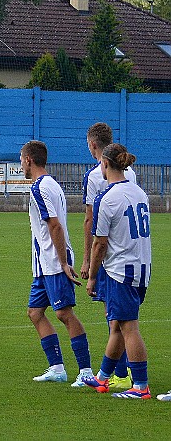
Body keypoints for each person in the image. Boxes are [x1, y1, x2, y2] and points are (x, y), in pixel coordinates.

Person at [82, 144, 153, 399]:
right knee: (118, 326)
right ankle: (102, 377)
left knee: (128, 327)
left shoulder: (107, 198)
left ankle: (141, 386)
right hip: (141, 267)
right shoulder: (139, 192)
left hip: (121, 270)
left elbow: (100, 242)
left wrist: (92, 276)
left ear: (105, 164)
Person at [21, 140, 93, 384]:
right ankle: (57, 368)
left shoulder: (39, 188)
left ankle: (85, 372)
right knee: (35, 312)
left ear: (29, 160)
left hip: (53, 261)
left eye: (22, 159)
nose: (21, 164)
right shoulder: (52, 184)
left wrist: (62, 262)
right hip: (43, 264)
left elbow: (55, 225)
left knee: (64, 313)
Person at [77, 122, 137, 389]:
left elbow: (90, 220)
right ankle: (120, 373)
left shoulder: (94, 176)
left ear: (93, 145)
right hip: (132, 251)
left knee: (116, 317)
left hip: (109, 254)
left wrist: (88, 261)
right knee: (122, 317)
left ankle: (122, 375)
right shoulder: (130, 173)